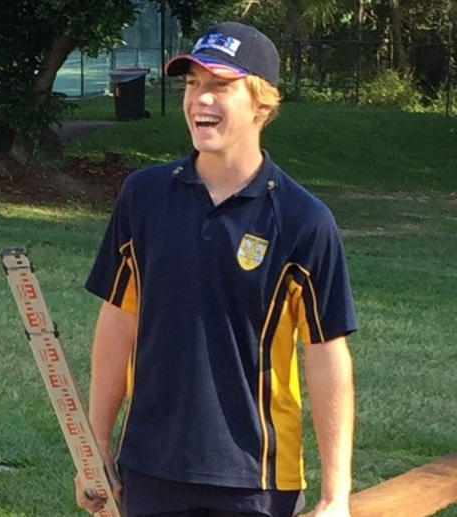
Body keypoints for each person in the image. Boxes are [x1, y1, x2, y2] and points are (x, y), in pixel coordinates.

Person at [76, 22, 356, 517]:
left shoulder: (302, 219)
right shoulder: (143, 197)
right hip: (149, 465)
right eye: (191, 84)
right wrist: (94, 445)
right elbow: (118, 323)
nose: (200, 100)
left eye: (220, 86)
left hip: (257, 479)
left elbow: (326, 354)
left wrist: (336, 497)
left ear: (262, 105)